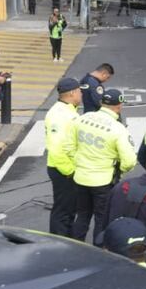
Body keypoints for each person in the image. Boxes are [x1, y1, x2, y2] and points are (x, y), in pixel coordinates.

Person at [67, 89, 138, 245]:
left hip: (80, 177)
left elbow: (69, 147)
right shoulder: (118, 128)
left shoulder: (82, 119)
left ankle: (75, 246)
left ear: (102, 103)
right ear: (119, 106)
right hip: (103, 181)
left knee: (83, 215)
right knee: (101, 218)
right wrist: (120, 170)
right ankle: (98, 251)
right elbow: (130, 160)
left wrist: (79, 162)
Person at [46, 77, 82, 237]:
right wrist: (69, 171)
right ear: (72, 93)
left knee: (69, 208)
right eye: (80, 91)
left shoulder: (68, 110)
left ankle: (66, 238)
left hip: (66, 168)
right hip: (63, 170)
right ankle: (60, 240)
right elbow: (56, 147)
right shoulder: (60, 115)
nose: (81, 95)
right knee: (63, 210)